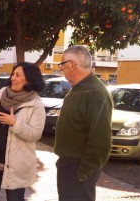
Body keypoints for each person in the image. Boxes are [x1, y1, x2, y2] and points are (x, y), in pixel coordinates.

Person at [0, 62, 46, 201]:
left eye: (18, 75)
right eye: (13, 74)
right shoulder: (1, 93)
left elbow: (35, 134)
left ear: (29, 79)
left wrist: (14, 123)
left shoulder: (36, 104)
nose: (13, 78)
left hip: (16, 165)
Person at [54, 45, 113, 201]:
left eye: (62, 64)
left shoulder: (96, 93)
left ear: (72, 65)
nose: (60, 69)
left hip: (78, 169)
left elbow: (101, 143)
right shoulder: (78, 89)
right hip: (68, 166)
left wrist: (82, 172)